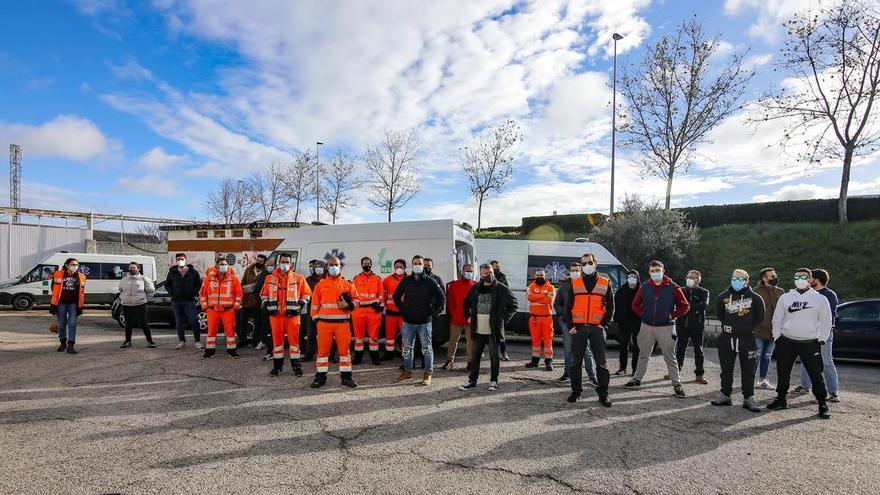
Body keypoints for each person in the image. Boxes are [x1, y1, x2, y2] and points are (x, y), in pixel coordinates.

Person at [767, 268, 833, 419]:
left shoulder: (820, 299)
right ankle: (781, 399)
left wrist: (822, 338)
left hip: (810, 343)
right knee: (783, 372)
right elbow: (777, 318)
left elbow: (826, 321)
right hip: (786, 342)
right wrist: (777, 336)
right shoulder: (786, 297)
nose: (800, 279)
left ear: (810, 279)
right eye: (796, 277)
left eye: (803, 277)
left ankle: (822, 403)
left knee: (816, 374)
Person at [625, 260, 690, 398]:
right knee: (643, 354)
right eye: (652, 271)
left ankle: (677, 385)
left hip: (666, 327)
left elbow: (685, 306)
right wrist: (644, 314)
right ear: (649, 272)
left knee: (670, 357)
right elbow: (635, 305)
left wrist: (672, 315)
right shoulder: (645, 287)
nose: (655, 273)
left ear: (663, 270)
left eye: (658, 270)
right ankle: (637, 380)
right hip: (646, 326)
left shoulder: (673, 287)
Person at [555, 257, 614, 407]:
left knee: (601, 363)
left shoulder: (605, 282)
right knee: (576, 363)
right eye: (584, 263)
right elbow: (568, 308)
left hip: (597, 328)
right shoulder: (575, 283)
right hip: (579, 328)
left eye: (590, 263)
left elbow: (611, 306)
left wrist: (604, 324)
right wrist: (571, 326)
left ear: (595, 264)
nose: (587, 265)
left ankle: (603, 394)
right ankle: (576, 392)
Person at [711, 269, 765, 412]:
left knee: (748, 370)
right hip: (727, 338)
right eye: (734, 278)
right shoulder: (722, 296)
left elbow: (760, 317)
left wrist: (746, 328)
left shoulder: (755, 298)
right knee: (726, 368)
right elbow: (720, 315)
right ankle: (725, 395)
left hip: (747, 339)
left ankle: (748, 398)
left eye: (740, 279)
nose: (736, 281)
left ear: (746, 281)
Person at [458, 263, 518, 392]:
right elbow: (466, 303)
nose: (489, 275)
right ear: (480, 274)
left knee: (494, 357)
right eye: (486, 273)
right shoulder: (475, 288)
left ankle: (493, 381)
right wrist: (468, 316)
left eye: (490, 272)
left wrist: (503, 319)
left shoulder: (501, 288)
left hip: (493, 329)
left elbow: (514, 305)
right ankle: (472, 381)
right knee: (475, 356)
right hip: (478, 328)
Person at [393, 255, 445, 386]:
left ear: (423, 265)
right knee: (407, 349)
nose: (417, 265)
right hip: (408, 321)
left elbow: (442, 298)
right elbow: (396, 296)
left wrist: (433, 313)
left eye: (420, 263)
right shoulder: (406, 280)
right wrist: (402, 309)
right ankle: (407, 372)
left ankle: (428, 374)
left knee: (427, 348)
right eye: (415, 263)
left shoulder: (430, 281)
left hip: (424, 322)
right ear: (412, 265)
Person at [309, 256, 359, 389]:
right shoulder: (320, 285)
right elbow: (314, 306)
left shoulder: (348, 284)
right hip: (324, 324)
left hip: (342, 324)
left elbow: (357, 301)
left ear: (340, 266)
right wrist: (317, 321)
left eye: (336, 265)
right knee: (322, 353)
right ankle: (320, 378)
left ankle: (346, 378)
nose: (333, 267)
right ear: (327, 267)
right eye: (331, 265)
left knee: (345, 352)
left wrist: (348, 306)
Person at [794, 269, 840, 402]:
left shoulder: (829, 295)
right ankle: (804, 385)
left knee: (826, 361)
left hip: (823, 333)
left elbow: (826, 315)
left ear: (816, 280)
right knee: (805, 359)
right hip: (808, 332)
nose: (808, 280)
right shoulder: (808, 293)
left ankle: (833, 392)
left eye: (810, 278)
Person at [262, 253, 311, 377]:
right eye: (283, 262)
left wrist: (300, 304)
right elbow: (263, 294)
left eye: (287, 262)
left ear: (291, 264)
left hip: (293, 316)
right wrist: (267, 305)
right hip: (276, 316)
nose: (285, 264)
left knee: (294, 343)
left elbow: (307, 293)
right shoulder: (269, 278)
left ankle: (297, 368)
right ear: (279, 262)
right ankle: (277, 368)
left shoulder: (298, 278)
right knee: (277, 343)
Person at [199, 258, 243, 359]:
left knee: (230, 332)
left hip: (228, 310)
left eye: (225, 264)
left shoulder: (233, 278)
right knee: (211, 332)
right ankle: (209, 352)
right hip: (212, 310)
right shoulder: (209, 278)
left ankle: (232, 351)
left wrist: (235, 307)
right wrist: (205, 307)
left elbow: (239, 293)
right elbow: (202, 294)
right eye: (222, 264)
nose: (224, 266)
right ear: (217, 267)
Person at [675, 270, 710, 384]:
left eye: (693, 277)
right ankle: (676, 372)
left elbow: (703, 305)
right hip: (682, 324)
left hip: (697, 326)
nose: (690, 279)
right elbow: (676, 304)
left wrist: (686, 306)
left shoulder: (704, 292)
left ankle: (699, 375)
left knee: (698, 350)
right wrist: (691, 306)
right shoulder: (680, 290)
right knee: (680, 349)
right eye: (689, 276)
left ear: (698, 280)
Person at [166, 253, 204, 350]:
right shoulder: (172, 272)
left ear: (186, 260)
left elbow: (199, 284)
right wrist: (172, 293)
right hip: (176, 301)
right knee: (179, 322)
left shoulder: (193, 272)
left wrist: (194, 292)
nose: (180, 261)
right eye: (178, 259)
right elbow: (167, 285)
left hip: (189, 301)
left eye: (182, 259)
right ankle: (181, 341)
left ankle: (197, 341)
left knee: (193, 321)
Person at [442, 263, 476, 370]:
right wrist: (453, 313)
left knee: (470, 342)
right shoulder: (454, 285)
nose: (469, 273)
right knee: (453, 340)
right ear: (462, 272)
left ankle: (470, 362)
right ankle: (450, 360)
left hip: (470, 319)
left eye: (471, 271)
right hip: (456, 318)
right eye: (467, 271)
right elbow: (450, 301)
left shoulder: (476, 285)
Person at [753, 267, 782, 390]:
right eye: (772, 276)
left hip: (774, 331)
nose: (775, 278)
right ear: (764, 278)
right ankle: (749, 379)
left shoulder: (780, 291)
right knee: (756, 355)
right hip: (758, 330)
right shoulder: (755, 291)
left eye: (775, 275)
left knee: (767, 355)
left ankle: (762, 380)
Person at [49, 257, 86, 354]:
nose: (75, 266)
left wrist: (80, 305)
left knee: (72, 323)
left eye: (77, 265)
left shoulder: (81, 276)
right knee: (61, 324)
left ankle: (71, 345)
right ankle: (63, 342)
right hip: (61, 303)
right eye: (73, 264)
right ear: (67, 265)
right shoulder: (58, 274)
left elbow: (82, 291)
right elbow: (53, 287)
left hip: (73, 303)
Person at [352, 256, 384, 365]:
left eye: (368, 263)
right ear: (361, 265)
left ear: (371, 264)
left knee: (374, 337)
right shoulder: (356, 279)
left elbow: (381, 295)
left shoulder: (377, 279)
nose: (367, 265)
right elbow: (353, 295)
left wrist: (380, 305)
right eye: (365, 263)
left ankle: (374, 357)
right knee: (359, 337)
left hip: (373, 312)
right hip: (358, 312)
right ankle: (358, 357)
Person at [118, 261, 156, 348]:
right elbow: (120, 289)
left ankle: (150, 341)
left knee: (143, 323)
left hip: (140, 304)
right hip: (126, 305)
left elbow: (151, 290)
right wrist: (123, 297)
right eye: (130, 267)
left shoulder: (143, 278)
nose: (132, 269)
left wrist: (145, 298)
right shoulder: (124, 280)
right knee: (128, 324)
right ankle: (127, 341)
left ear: (138, 269)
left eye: (134, 267)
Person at [525, 267, 556, 371]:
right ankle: (535, 361)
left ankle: (549, 362)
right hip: (534, 319)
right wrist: (543, 295)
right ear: (535, 276)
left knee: (548, 341)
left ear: (545, 276)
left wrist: (537, 296)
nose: (539, 277)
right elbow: (529, 297)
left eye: (541, 275)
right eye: (537, 275)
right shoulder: (531, 286)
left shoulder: (551, 287)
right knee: (535, 341)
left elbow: (549, 299)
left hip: (547, 318)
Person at [613, 270, 641, 376]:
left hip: (637, 322)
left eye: (634, 276)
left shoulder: (641, 290)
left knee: (637, 346)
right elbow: (617, 306)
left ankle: (635, 369)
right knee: (623, 345)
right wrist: (617, 319)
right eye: (629, 276)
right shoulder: (621, 291)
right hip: (624, 322)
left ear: (637, 278)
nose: (631, 278)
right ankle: (622, 368)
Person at [240, 254, 268, 347]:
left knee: (257, 323)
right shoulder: (249, 270)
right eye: (258, 260)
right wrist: (247, 288)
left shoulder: (265, 273)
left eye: (261, 261)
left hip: (257, 302)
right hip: (246, 301)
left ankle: (256, 341)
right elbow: (242, 283)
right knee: (243, 322)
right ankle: (243, 340)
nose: (259, 262)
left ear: (264, 263)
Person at [302, 259, 326, 362]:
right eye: (316, 267)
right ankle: (309, 355)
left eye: (321, 266)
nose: (318, 269)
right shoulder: (308, 280)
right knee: (311, 334)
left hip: (325, 311)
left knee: (325, 335)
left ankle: (328, 355)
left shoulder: (328, 279)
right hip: (311, 311)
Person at [382, 259, 407, 359]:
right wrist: (381, 307)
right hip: (390, 314)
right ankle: (389, 355)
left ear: (405, 268)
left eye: (401, 267)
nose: (399, 269)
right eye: (397, 267)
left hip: (404, 315)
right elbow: (383, 296)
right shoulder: (387, 280)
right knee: (389, 337)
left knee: (405, 337)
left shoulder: (409, 280)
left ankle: (406, 356)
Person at [488, 260, 511, 361]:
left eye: (499, 266)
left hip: (499, 310)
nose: (498, 268)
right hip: (488, 309)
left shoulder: (502, 276)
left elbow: (506, 290)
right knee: (487, 333)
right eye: (496, 267)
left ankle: (504, 352)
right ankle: (491, 353)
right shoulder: (486, 277)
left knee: (500, 333)